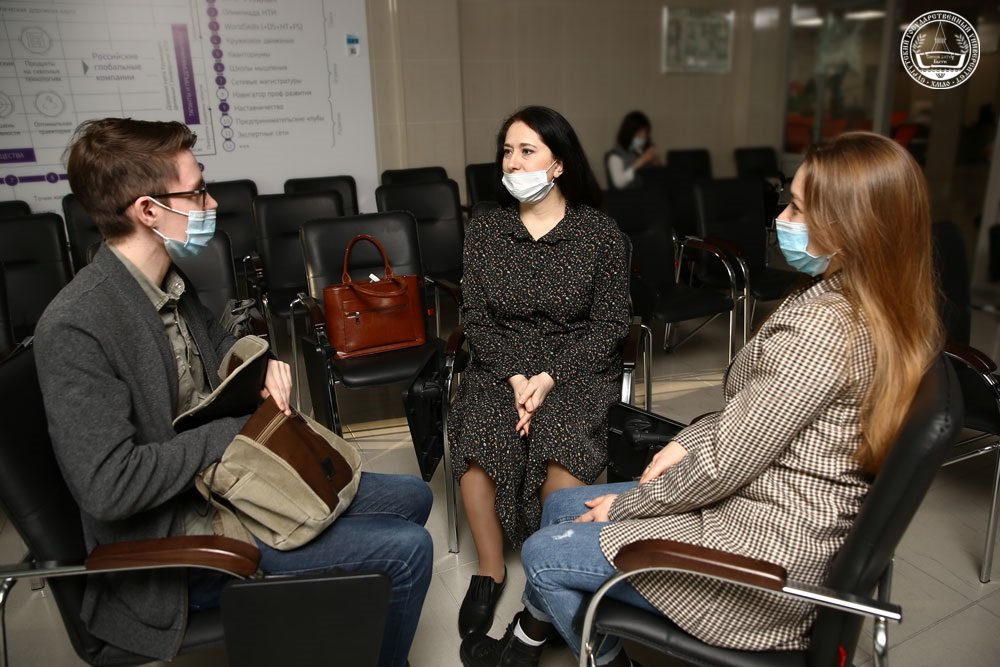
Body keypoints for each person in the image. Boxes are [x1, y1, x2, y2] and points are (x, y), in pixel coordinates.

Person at [459, 131, 943, 667]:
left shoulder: (822, 330)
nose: (781, 217)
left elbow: (726, 465)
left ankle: (581, 653)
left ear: (852, 227)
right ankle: (529, 640)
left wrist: (628, 506)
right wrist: (686, 441)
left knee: (542, 553)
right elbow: (757, 418)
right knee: (559, 508)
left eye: (798, 207)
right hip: (765, 503)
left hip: (764, 554)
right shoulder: (868, 302)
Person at [34, 118, 432, 667]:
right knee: (408, 551)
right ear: (148, 211)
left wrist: (261, 363)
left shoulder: (168, 282)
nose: (212, 202)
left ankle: (342, 620)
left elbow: (218, 340)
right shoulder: (78, 325)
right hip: (176, 543)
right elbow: (109, 488)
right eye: (197, 191)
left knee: (414, 498)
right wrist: (227, 433)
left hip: (230, 485)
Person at [448, 106, 630, 639]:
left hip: (576, 365)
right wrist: (514, 377)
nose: (513, 162)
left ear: (558, 164)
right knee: (481, 430)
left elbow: (610, 323)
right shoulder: (487, 229)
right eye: (507, 151)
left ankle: (548, 579)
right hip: (501, 362)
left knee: (563, 440)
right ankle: (490, 569)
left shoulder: (598, 233)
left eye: (527, 151)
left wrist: (549, 377)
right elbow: (476, 318)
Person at [605, 111, 663, 190]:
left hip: (650, 192)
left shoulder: (642, 150)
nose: (643, 137)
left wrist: (656, 160)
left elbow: (659, 178)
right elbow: (619, 183)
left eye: (645, 133)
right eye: (639, 133)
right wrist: (640, 162)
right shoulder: (615, 155)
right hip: (630, 195)